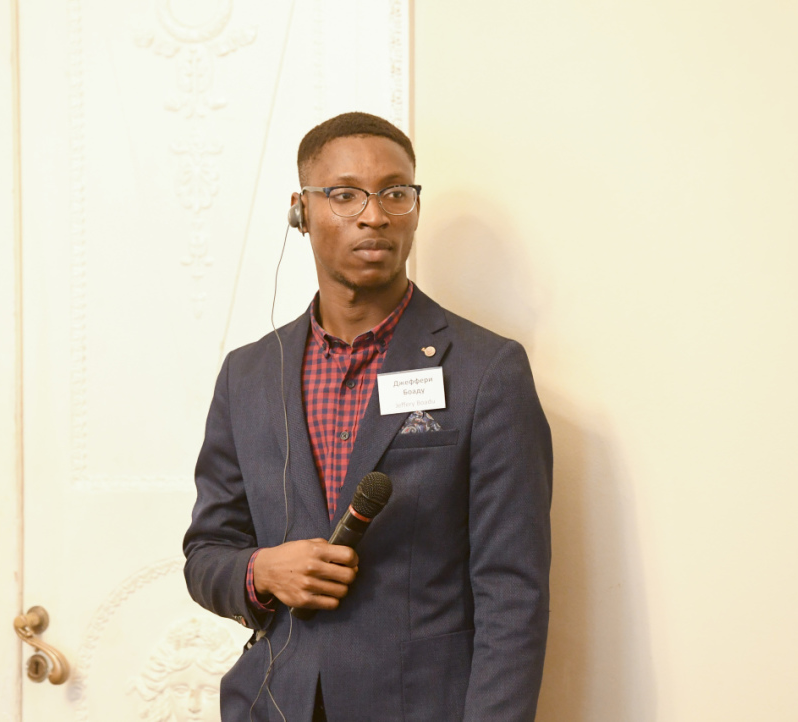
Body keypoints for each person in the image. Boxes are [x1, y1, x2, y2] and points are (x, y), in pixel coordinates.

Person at [183, 112, 552, 722]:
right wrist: (261, 570)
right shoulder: (248, 375)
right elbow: (206, 553)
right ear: (301, 212)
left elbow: (513, 594)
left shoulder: (487, 371)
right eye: (345, 195)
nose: (374, 215)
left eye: (395, 193)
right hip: (273, 704)